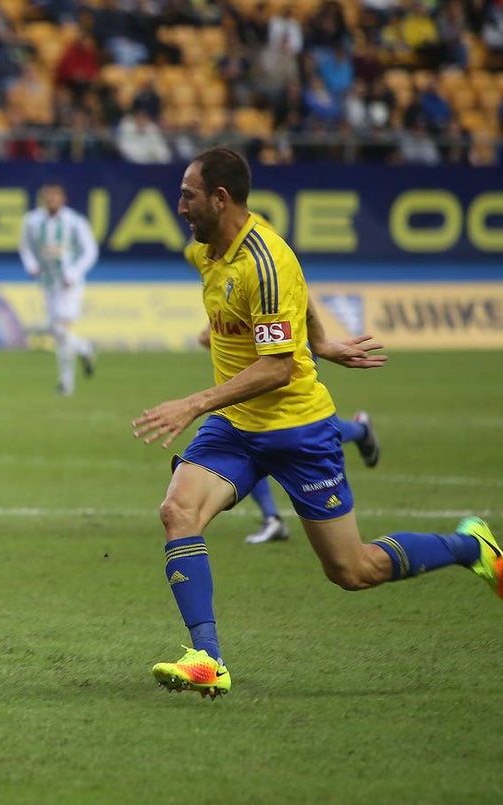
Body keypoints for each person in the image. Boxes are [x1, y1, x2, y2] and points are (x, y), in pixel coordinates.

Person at [132, 146, 501, 699]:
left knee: (353, 571)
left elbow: (279, 367)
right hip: (235, 427)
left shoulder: (265, 260)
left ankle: (469, 547)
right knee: (177, 511)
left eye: (187, 194)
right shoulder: (207, 252)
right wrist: (321, 338)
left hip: (297, 429)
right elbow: (295, 294)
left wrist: (193, 403)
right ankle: (207, 657)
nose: (179, 204)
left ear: (220, 197)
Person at [197, 323, 381, 544]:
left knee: (285, 427)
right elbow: (208, 336)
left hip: (284, 352)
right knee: (253, 430)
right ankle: (272, 518)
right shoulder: (230, 292)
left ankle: (360, 431)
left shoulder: (270, 291)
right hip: (261, 356)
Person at [18, 181, 98, 396]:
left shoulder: (75, 222)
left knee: (61, 330)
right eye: (48, 197)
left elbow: (90, 251)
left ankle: (66, 384)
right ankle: (84, 348)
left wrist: (74, 272)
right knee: (57, 332)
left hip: (70, 285)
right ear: (43, 199)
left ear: (63, 199)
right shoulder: (32, 221)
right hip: (48, 283)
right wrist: (31, 266)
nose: (52, 201)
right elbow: (25, 248)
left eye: (55, 197)